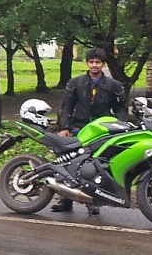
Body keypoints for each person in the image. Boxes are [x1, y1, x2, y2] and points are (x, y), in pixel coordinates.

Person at [53, 47, 127, 214]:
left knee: (98, 166)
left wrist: (119, 127)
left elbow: (121, 109)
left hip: (103, 131)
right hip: (80, 129)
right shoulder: (75, 83)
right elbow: (66, 107)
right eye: (91, 62)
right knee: (69, 164)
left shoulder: (113, 85)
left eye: (98, 62)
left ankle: (94, 202)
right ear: (87, 63)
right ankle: (66, 200)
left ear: (103, 64)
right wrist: (65, 127)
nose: (94, 65)